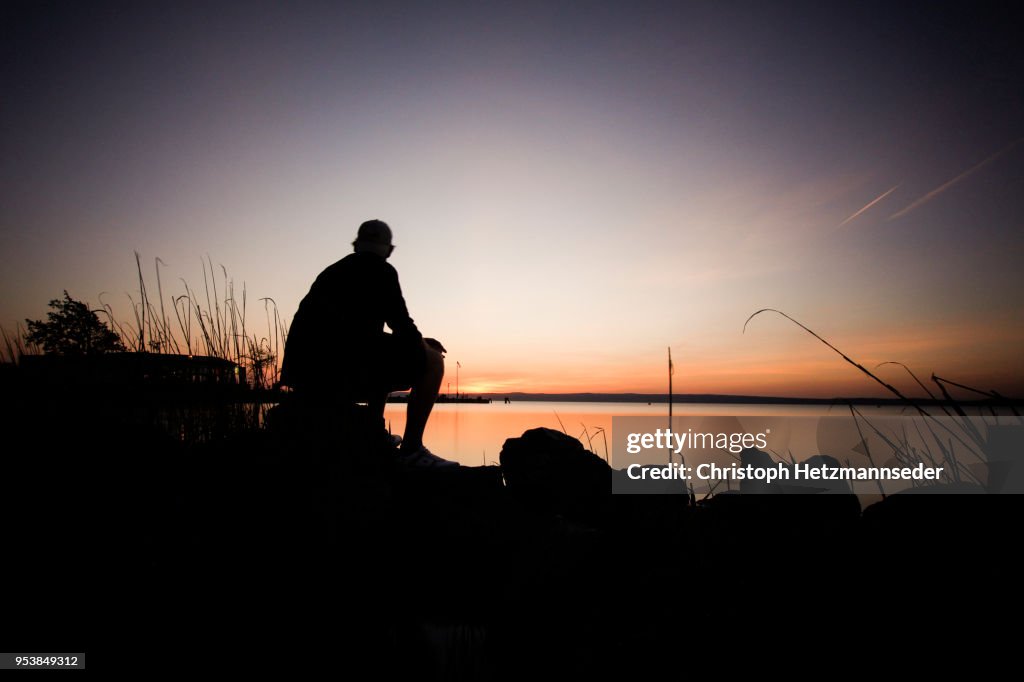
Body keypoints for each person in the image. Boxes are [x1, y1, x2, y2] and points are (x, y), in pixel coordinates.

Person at [280, 219, 457, 468]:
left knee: (377, 352)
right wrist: (424, 347)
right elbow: (401, 325)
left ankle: (374, 433)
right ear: (389, 249)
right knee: (433, 361)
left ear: (355, 245)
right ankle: (412, 449)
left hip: (304, 374)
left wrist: (416, 341)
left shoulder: (331, 272)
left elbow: (362, 338)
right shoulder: (382, 270)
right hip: (343, 370)